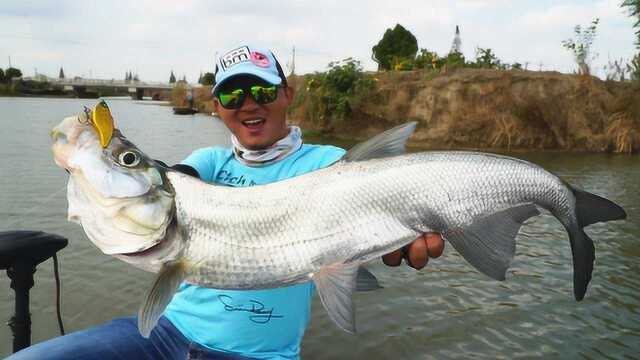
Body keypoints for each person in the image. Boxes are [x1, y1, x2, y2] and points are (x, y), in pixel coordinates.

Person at [8, 44, 444, 360]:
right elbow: (171, 182)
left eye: (263, 91)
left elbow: (375, 190)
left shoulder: (327, 165)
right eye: (234, 96)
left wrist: (402, 228)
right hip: (162, 336)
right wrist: (103, 159)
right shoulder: (208, 163)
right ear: (217, 106)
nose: (249, 105)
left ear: (288, 94)